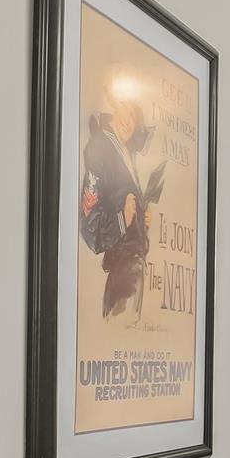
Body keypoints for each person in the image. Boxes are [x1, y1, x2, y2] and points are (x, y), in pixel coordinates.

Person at [78, 70, 155, 321]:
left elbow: (122, 197)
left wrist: (140, 222)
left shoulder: (126, 153)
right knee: (120, 327)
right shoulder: (100, 148)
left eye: (133, 113)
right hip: (122, 272)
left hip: (135, 267)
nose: (128, 119)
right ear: (110, 109)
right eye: (122, 108)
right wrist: (123, 219)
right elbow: (90, 221)